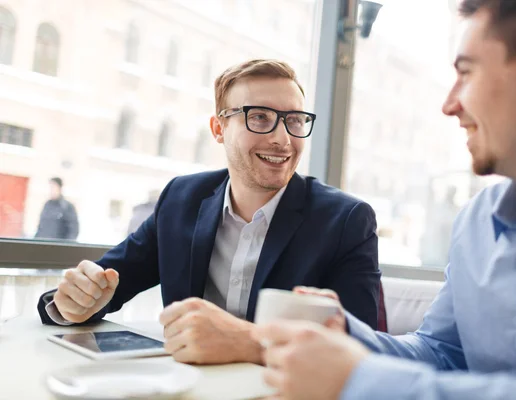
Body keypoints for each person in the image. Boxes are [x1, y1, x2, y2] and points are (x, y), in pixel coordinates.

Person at [254, 1, 516, 399]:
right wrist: (346, 336)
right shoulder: (477, 224)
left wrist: (360, 382)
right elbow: (442, 352)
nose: (450, 104)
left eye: (466, 73)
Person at [37, 59, 382, 365]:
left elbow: (363, 351)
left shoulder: (346, 221)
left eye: (294, 120)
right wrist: (71, 303)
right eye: (260, 117)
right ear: (219, 129)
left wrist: (249, 343)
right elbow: (109, 283)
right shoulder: (181, 199)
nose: (282, 138)